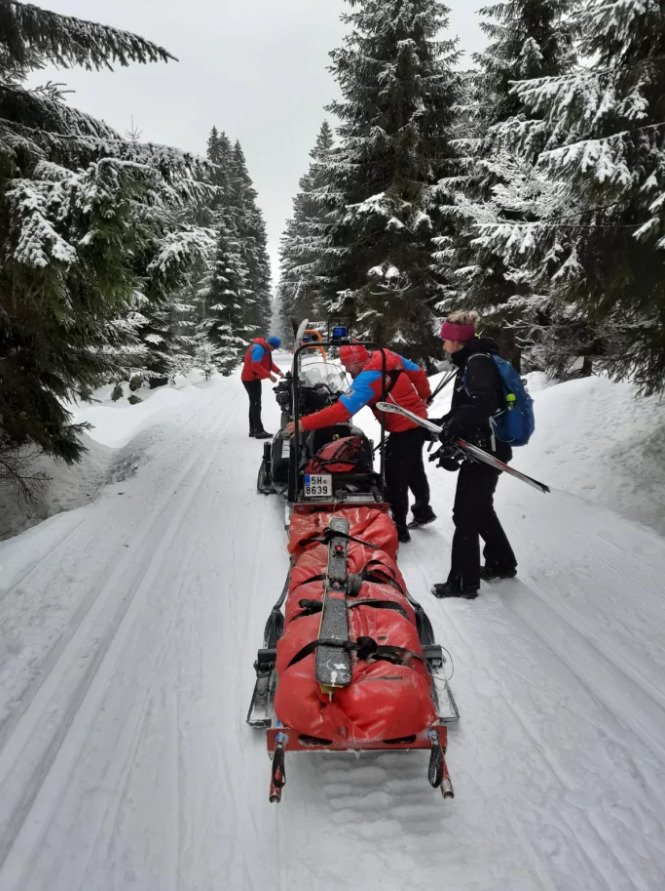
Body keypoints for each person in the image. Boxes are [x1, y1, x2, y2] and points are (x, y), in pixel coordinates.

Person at [286, 343, 435, 543]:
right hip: (418, 422)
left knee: (395, 477)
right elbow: (417, 372)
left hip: (404, 428)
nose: (346, 369)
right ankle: (423, 510)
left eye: (347, 365)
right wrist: (425, 396)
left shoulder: (367, 379)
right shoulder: (386, 355)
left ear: (357, 361)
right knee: (414, 469)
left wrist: (303, 423)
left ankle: (399, 527)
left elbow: (341, 412)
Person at [430, 311, 517, 599]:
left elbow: (482, 405)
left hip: (484, 449)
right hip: (484, 446)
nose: (443, 344)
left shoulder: (477, 362)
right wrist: (445, 423)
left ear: (457, 340)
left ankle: (463, 582)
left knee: (465, 514)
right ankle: (501, 562)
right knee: (480, 508)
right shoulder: (474, 359)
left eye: (446, 339)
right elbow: (467, 406)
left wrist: (454, 426)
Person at [241, 335, 284, 439]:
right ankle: (258, 431)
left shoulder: (264, 347)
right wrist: (269, 376)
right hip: (250, 379)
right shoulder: (259, 348)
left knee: (254, 404)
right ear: (269, 344)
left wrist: (278, 371)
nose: (273, 350)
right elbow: (255, 365)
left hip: (252, 378)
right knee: (256, 405)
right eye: (273, 348)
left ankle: (253, 430)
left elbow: (269, 363)